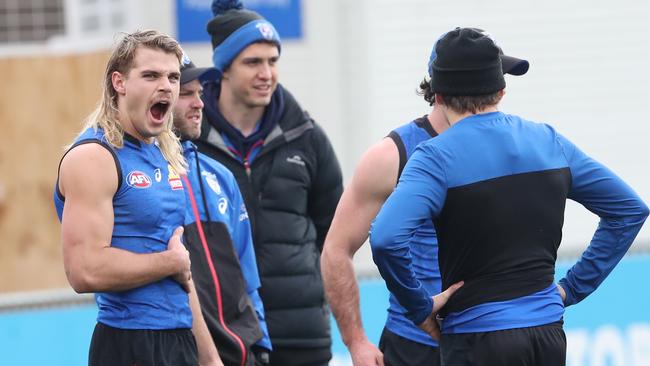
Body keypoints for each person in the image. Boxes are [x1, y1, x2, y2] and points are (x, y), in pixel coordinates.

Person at [370, 27, 649, 365]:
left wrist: (419, 307)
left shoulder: (433, 158)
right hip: (547, 335)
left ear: (439, 97)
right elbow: (629, 210)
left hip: (476, 337)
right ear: (501, 91)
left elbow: (385, 238)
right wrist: (571, 288)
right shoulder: (548, 141)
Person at [321, 30, 530, 366]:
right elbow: (336, 249)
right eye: (486, 82)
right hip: (416, 345)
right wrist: (356, 341)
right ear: (442, 91)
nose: (495, 92)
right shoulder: (392, 155)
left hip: (495, 340)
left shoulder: (516, 145)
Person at [53, 30, 222, 366]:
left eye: (173, 77)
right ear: (119, 82)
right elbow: (84, 270)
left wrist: (210, 360)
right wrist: (170, 263)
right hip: (128, 342)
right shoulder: (94, 156)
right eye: (151, 76)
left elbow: (181, 274)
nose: (167, 86)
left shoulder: (163, 154)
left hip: (179, 339)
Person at [194, 1, 344, 365]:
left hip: (301, 334)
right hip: (224, 336)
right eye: (253, 62)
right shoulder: (190, 143)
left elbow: (337, 234)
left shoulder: (306, 136)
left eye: (272, 61)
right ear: (224, 68)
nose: (266, 73)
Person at [173, 55, 273, 366]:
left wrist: (261, 342)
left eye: (200, 93)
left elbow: (246, 272)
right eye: (186, 94)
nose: (199, 103)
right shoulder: (143, 178)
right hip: (180, 351)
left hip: (239, 350)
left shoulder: (219, 176)